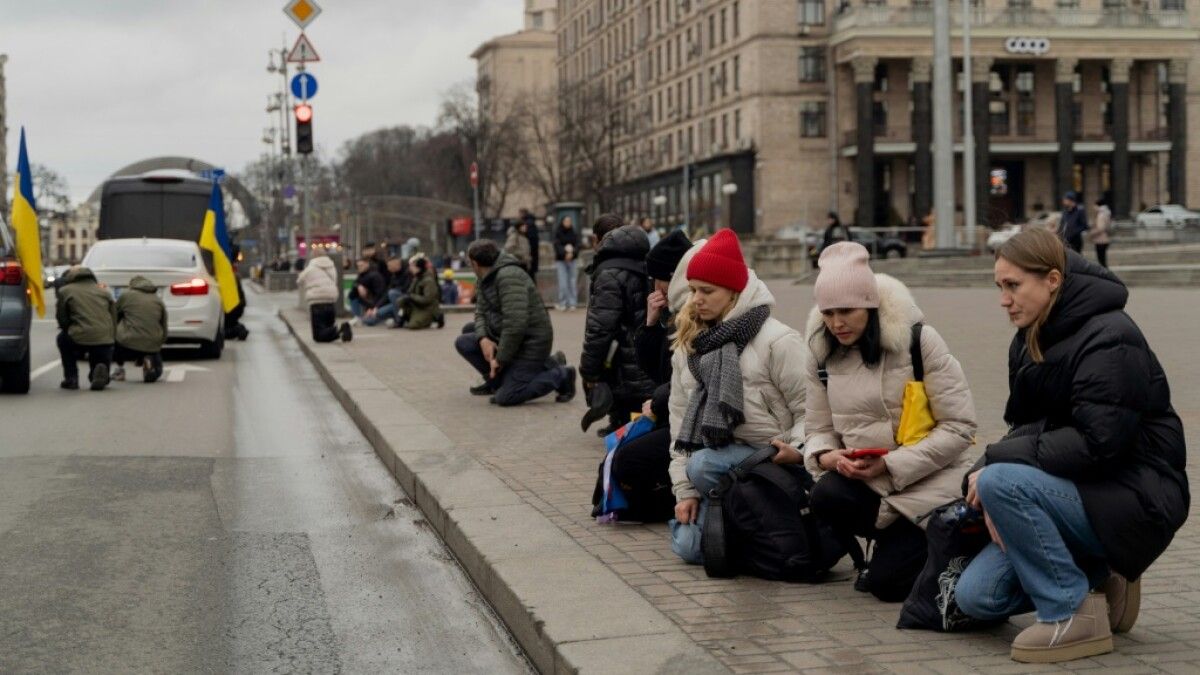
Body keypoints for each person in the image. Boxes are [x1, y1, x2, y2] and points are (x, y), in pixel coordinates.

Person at [954, 228, 1188, 664]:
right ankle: (1102, 573)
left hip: (1136, 495)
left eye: (1013, 285)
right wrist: (982, 466)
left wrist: (997, 472)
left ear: (1053, 280)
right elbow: (1028, 428)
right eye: (999, 286)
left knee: (1003, 481)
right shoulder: (1032, 335)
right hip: (1079, 490)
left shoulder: (1110, 336)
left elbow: (1099, 444)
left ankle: (1071, 612)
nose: (1003, 299)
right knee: (977, 597)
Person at [802, 242, 977, 601]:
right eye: (828, 313)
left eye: (847, 311)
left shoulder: (919, 341)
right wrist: (827, 456)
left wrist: (890, 464)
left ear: (870, 304)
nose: (836, 323)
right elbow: (818, 429)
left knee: (886, 585)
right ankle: (894, 542)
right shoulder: (820, 354)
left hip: (932, 480)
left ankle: (943, 540)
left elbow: (960, 427)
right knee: (826, 494)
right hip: (873, 485)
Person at [667, 229, 809, 564]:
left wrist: (798, 450)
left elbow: (812, 410)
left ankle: (750, 525)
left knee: (703, 464)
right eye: (693, 290)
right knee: (690, 547)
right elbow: (679, 428)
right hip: (721, 471)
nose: (696, 299)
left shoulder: (778, 340)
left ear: (733, 291)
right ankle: (744, 525)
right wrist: (685, 492)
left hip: (775, 460)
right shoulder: (689, 347)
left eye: (707, 291)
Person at [593, 230, 698, 522]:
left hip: (686, 420)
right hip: (671, 411)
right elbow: (656, 370)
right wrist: (651, 325)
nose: (654, 287)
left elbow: (689, 377)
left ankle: (671, 506)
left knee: (628, 460)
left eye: (657, 279)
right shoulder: (671, 312)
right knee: (614, 459)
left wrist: (659, 400)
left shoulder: (693, 312)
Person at [454, 240, 576, 406]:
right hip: (511, 336)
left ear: (475, 263)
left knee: (507, 397)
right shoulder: (484, 276)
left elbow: (515, 326)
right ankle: (498, 380)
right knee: (466, 337)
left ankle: (561, 375)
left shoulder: (509, 277)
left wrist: (500, 359)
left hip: (531, 343)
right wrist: (483, 339)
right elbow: (480, 312)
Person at [580, 215, 657, 437]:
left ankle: (624, 425)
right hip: (645, 345)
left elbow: (600, 327)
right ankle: (622, 422)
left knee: (622, 385)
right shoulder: (645, 259)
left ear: (598, 240)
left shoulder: (608, 272)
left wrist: (589, 371)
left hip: (620, 353)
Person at [55, 266, 117, 391]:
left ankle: (71, 378)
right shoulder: (104, 292)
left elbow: (62, 317)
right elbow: (113, 317)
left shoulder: (65, 291)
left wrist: (68, 328)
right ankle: (98, 372)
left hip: (78, 335)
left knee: (62, 339)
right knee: (100, 353)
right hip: (104, 337)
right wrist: (111, 336)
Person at [111, 275, 166, 383]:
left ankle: (120, 369)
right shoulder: (158, 300)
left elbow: (114, 316)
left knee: (115, 342)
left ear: (132, 286)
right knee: (157, 372)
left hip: (127, 342)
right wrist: (159, 343)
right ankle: (148, 362)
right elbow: (163, 325)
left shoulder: (126, 296)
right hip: (152, 343)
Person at [297, 253, 353, 343]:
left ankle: (340, 328)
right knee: (328, 328)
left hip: (316, 301)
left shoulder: (311, 267)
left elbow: (300, 280)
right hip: (330, 300)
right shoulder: (331, 266)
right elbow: (334, 280)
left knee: (318, 336)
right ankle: (340, 331)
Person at [395, 255, 445, 330]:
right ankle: (402, 319)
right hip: (417, 305)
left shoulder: (428, 281)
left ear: (419, 267)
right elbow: (409, 292)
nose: (410, 268)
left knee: (413, 326)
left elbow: (427, 300)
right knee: (401, 301)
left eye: (412, 266)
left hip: (427, 308)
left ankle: (436, 317)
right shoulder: (416, 278)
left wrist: (412, 297)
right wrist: (407, 297)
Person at [554, 215, 581, 311]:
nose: (568, 223)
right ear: (562, 222)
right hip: (561, 260)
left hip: (572, 260)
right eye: (566, 221)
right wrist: (565, 253)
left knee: (572, 282)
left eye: (569, 221)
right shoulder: (558, 232)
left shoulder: (574, 232)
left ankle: (572, 303)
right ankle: (563, 302)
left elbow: (578, 244)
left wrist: (572, 253)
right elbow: (557, 245)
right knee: (563, 282)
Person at [348, 257, 385, 324]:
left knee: (369, 322)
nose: (359, 267)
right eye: (358, 266)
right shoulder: (361, 274)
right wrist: (358, 286)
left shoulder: (375, 275)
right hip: (368, 301)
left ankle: (377, 317)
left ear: (367, 264)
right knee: (352, 294)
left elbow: (379, 294)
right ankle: (357, 317)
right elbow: (355, 283)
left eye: (361, 265)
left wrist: (373, 308)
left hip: (377, 303)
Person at [1089, 198, 1112, 269]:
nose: (1093, 208)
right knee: (1103, 260)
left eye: (1094, 205)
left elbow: (1101, 228)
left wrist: (1091, 233)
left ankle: (1105, 274)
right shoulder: (1106, 213)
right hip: (1105, 238)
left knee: (1101, 260)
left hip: (1100, 240)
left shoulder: (1101, 215)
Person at [521, 208, 541, 280]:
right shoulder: (533, 225)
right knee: (532, 276)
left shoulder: (526, 225)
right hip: (533, 254)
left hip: (527, 255)